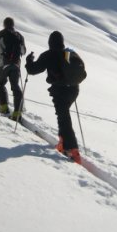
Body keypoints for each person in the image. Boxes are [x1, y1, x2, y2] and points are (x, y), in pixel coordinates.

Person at [25, 31, 81, 164]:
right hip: (74, 90)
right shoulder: (69, 53)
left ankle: (73, 150)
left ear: (50, 42)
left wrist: (28, 61)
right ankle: (63, 143)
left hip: (60, 91)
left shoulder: (48, 55)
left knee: (64, 118)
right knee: (63, 115)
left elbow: (32, 70)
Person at [0, 17, 26, 121]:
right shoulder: (19, 36)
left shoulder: (2, 33)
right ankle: (17, 112)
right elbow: (23, 51)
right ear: (13, 25)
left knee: (0, 83)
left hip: (4, 63)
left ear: (4, 24)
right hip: (16, 64)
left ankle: (4, 108)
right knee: (15, 86)